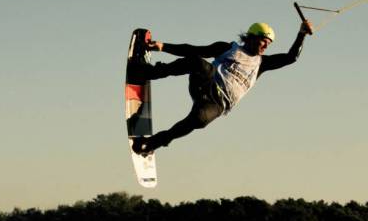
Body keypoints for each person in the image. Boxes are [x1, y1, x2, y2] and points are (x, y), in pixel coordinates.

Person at [130, 19, 314, 155]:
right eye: (263, 40)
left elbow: (291, 58)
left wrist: (301, 34)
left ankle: (152, 143)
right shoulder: (228, 48)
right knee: (198, 62)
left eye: (269, 43)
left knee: (199, 121)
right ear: (251, 37)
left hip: (217, 104)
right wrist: (162, 46)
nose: (266, 45)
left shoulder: (262, 63)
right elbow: (194, 49)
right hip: (207, 83)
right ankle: (150, 73)